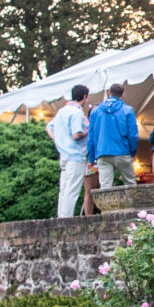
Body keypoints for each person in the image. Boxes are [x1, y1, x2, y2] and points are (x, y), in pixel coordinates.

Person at [47, 85, 91, 217]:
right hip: (75, 155)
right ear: (84, 97)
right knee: (72, 190)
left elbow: (49, 127)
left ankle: (61, 217)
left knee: (64, 189)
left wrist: (58, 140)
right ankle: (67, 219)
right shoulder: (77, 113)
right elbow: (76, 135)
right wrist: (88, 132)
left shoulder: (62, 111)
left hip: (64, 154)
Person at [87, 82, 141, 188]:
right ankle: (132, 204)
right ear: (122, 94)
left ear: (109, 92)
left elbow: (91, 137)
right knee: (130, 184)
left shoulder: (95, 111)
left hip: (102, 153)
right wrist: (131, 152)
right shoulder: (128, 110)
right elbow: (133, 135)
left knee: (106, 187)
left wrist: (91, 158)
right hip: (122, 151)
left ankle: (108, 205)